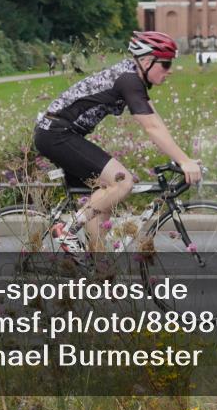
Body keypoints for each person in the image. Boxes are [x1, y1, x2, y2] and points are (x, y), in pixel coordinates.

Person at [33, 31, 202, 255]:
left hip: (59, 132)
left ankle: (98, 265)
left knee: (105, 194)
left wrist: (183, 158)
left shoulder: (132, 77)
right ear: (146, 62)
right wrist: (184, 161)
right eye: (166, 63)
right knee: (123, 182)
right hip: (57, 133)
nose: (170, 70)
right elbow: (151, 127)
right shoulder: (129, 79)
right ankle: (67, 230)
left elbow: (155, 120)